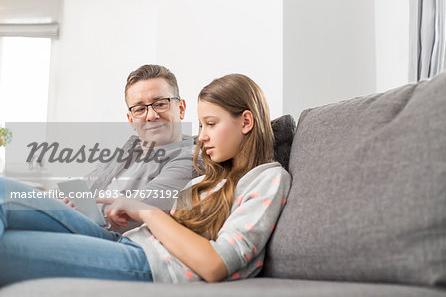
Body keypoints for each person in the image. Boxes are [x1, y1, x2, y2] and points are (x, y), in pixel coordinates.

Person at [0, 74, 291, 285]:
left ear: (246, 122)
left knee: (7, 248)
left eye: (211, 124)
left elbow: (216, 265)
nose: (201, 136)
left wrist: (144, 212)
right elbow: (168, 224)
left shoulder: (266, 178)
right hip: (131, 243)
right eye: (202, 125)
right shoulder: (212, 179)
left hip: (148, 261)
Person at [67, 65, 199, 227]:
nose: (151, 116)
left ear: (181, 109)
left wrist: (75, 210)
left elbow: (130, 213)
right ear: (131, 120)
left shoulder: (188, 159)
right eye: (140, 109)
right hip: (72, 222)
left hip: (102, 234)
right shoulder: (128, 151)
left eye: (160, 104)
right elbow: (78, 188)